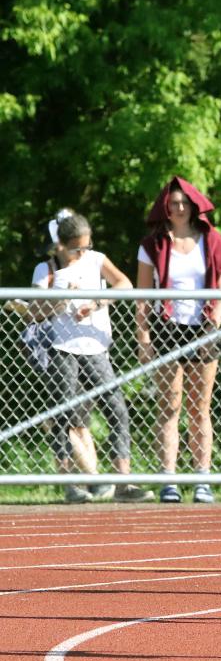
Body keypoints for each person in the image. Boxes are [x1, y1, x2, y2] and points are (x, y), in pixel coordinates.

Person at [29, 209, 154, 503]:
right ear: (61, 245)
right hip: (62, 350)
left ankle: (123, 483)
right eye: (77, 248)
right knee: (62, 415)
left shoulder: (96, 260)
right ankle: (69, 482)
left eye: (86, 246)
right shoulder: (45, 270)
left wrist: (96, 303)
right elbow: (34, 313)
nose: (82, 252)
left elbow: (124, 284)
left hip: (95, 347)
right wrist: (59, 301)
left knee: (117, 409)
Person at [136, 176, 221, 504]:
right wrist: (144, 336)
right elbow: (142, 295)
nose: (178, 208)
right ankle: (169, 478)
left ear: (194, 206)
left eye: (183, 203)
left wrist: (212, 326)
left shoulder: (211, 240)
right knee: (169, 406)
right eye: (173, 203)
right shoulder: (153, 244)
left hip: (202, 329)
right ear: (165, 207)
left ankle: (202, 478)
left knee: (200, 408)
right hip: (167, 328)